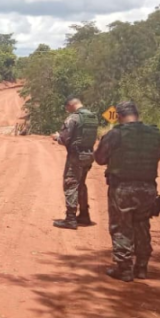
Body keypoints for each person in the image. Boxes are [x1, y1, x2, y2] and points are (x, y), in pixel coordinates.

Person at [94, 101, 160, 282]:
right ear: (137, 114)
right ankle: (141, 267)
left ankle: (124, 269)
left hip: (122, 188)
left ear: (118, 116)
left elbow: (100, 159)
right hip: (148, 188)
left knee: (121, 227)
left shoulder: (115, 134)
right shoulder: (155, 133)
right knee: (142, 225)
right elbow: (159, 153)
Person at [51, 97, 99, 229]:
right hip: (89, 154)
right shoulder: (92, 117)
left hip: (76, 156)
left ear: (71, 105)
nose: (67, 110)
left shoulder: (74, 118)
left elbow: (64, 139)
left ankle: (70, 218)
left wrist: (56, 137)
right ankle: (84, 214)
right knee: (81, 184)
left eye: (67, 107)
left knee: (71, 183)